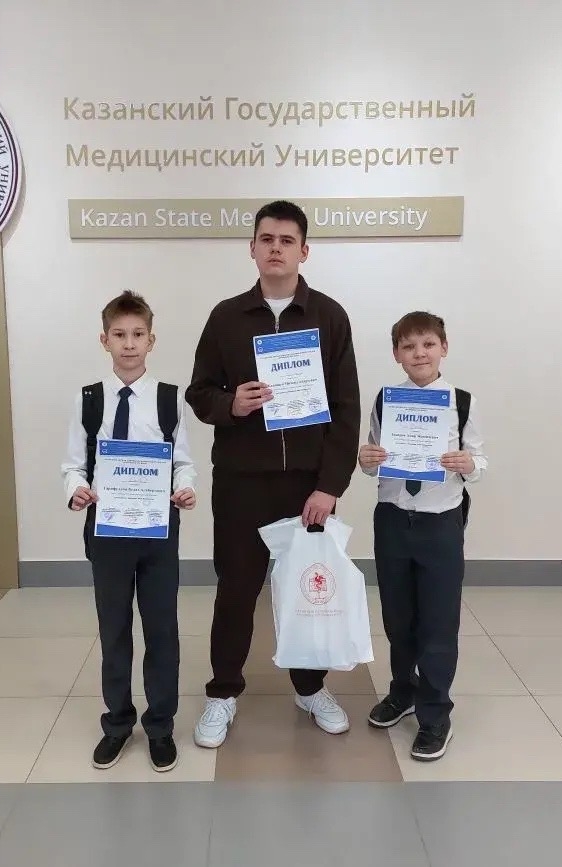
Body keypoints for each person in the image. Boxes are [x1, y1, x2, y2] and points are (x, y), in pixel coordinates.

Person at [185, 200, 361, 748]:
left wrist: (330, 486)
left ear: (304, 251)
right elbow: (198, 393)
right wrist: (231, 404)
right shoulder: (226, 317)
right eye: (267, 239)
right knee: (236, 590)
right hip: (241, 481)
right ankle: (222, 693)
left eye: (287, 240)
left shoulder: (329, 317)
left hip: (306, 485)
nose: (276, 248)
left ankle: (310, 688)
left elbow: (347, 408)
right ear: (253, 249)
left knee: (308, 590)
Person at [61, 290, 197, 772]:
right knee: (114, 629)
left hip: (158, 531)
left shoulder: (169, 398)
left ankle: (160, 726)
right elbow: (74, 464)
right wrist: (77, 490)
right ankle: (117, 722)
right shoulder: (89, 399)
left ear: (151, 340)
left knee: (161, 629)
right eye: (119, 335)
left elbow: (183, 461)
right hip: (108, 531)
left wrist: (185, 487)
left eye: (138, 334)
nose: (129, 343)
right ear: (105, 340)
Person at [357, 311, 487, 761]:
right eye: (409, 346)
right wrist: (366, 459)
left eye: (428, 344)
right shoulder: (386, 399)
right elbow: (373, 458)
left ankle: (435, 714)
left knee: (437, 620)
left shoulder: (461, 402)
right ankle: (403, 691)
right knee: (398, 616)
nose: (419, 353)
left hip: (439, 522)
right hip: (393, 519)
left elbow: (479, 461)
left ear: (443, 348)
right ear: (397, 354)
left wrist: (468, 464)